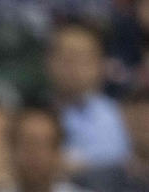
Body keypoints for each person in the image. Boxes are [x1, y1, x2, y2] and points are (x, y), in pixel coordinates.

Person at [0, 106, 110, 192]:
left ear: (58, 154)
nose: (34, 154)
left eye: (43, 145)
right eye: (26, 144)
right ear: (11, 151)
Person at [46, 20, 130, 172]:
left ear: (101, 65)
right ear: (49, 61)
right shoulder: (30, 112)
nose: (72, 66)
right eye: (65, 57)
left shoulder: (121, 118)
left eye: (82, 58)